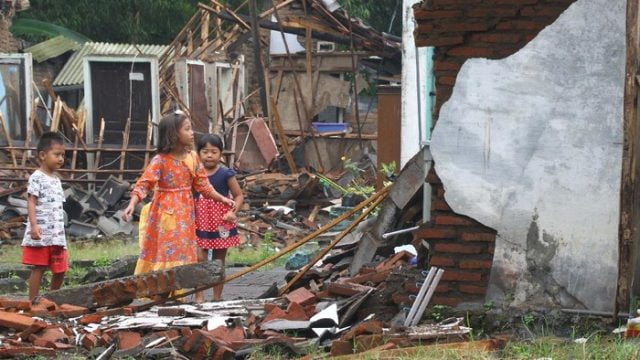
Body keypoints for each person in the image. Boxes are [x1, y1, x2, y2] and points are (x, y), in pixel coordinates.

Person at [122, 112, 234, 285]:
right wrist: (132, 203)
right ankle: (162, 290)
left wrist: (223, 199)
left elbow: (204, 186)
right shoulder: (160, 160)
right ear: (174, 134)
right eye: (188, 129)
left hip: (186, 215)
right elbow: (144, 183)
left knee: (182, 252)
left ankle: (177, 293)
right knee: (168, 251)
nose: (192, 133)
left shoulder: (193, 158)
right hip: (164, 214)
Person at [194, 134, 244, 303]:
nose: (209, 155)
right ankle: (199, 296)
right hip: (199, 221)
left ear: (220, 154)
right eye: (205, 151)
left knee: (218, 261)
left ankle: (217, 297)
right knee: (199, 259)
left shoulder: (225, 174)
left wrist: (233, 212)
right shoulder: (195, 174)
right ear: (198, 154)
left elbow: (238, 195)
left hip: (220, 223)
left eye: (213, 152)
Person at [22, 132, 67, 301]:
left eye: (63, 155)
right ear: (42, 155)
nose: (61, 158)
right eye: (57, 154)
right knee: (39, 267)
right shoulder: (36, 177)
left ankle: (50, 300)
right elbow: (32, 202)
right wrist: (34, 226)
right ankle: (33, 302)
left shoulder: (56, 180)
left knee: (61, 269)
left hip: (56, 234)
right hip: (41, 233)